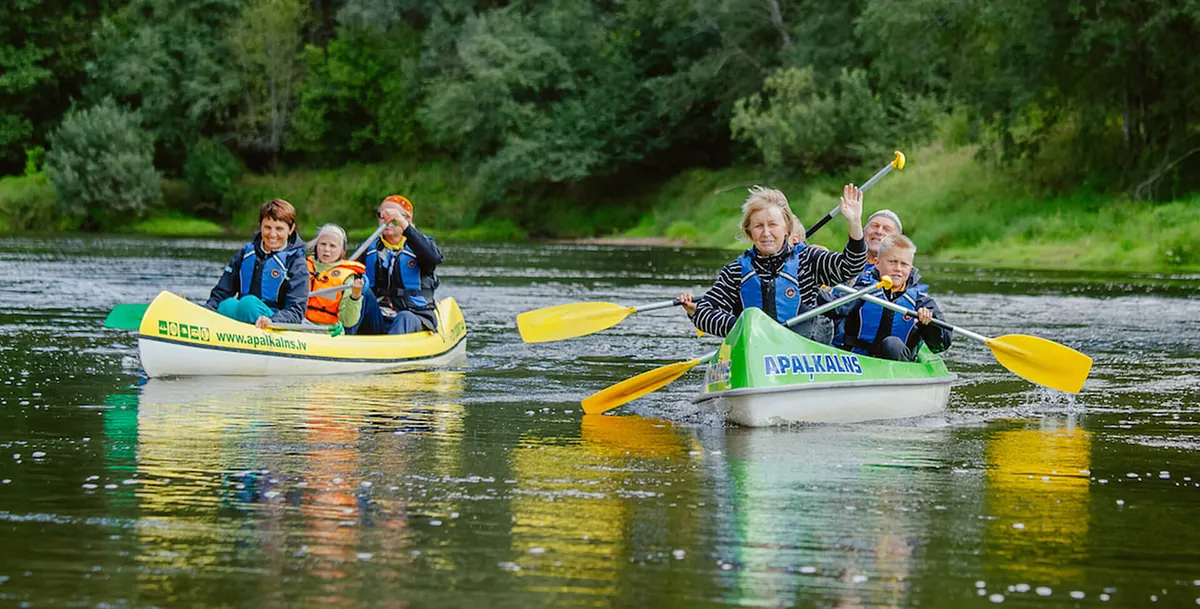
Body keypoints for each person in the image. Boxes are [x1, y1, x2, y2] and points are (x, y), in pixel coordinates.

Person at [679, 185, 865, 339]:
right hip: (755, 353)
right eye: (759, 226)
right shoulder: (736, 270)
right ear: (750, 232)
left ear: (787, 229)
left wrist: (855, 224)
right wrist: (741, 326)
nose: (766, 233)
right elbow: (703, 313)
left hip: (800, 356)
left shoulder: (808, 260)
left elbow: (850, 266)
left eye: (773, 225)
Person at [834, 234, 952, 361]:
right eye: (892, 262)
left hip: (898, 360)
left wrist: (928, 324)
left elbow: (941, 345)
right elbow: (834, 307)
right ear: (877, 263)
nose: (898, 269)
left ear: (911, 268)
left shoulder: (921, 300)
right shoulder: (862, 289)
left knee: (892, 345)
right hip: (858, 359)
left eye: (904, 264)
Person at [205, 199, 309, 329]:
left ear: (291, 229)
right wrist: (207, 311)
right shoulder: (245, 254)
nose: (272, 234)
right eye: (267, 227)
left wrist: (273, 320)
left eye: (279, 229)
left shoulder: (296, 263)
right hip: (246, 315)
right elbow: (221, 293)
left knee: (249, 304)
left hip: (276, 323)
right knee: (227, 305)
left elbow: (296, 311)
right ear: (260, 225)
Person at [356, 194, 443, 335]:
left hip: (413, 314)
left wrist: (404, 226)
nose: (386, 221)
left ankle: (389, 355)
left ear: (407, 219)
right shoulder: (368, 248)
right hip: (379, 314)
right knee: (361, 295)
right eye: (382, 216)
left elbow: (434, 258)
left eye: (393, 217)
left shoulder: (421, 246)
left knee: (404, 317)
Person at [305, 224, 366, 331]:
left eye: (332, 246)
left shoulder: (347, 278)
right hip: (300, 325)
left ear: (342, 251)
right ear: (316, 246)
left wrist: (355, 297)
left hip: (328, 330)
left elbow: (348, 321)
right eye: (323, 244)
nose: (326, 249)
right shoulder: (303, 268)